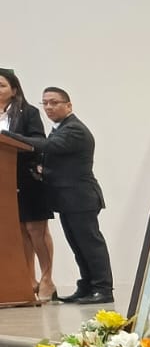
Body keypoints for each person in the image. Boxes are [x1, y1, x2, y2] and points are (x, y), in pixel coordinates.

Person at [3, 87, 112, 305]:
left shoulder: (74, 129)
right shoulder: (60, 128)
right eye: (45, 103)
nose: (49, 107)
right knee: (78, 246)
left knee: (90, 245)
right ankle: (87, 286)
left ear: (68, 105)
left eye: (54, 102)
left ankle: (103, 288)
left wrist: (10, 136)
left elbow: (49, 145)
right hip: (67, 200)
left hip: (80, 198)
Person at [0, 68, 57, 301]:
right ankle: (28, 279)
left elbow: (38, 142)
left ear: (14, 90)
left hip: (27, 177)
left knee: (35, 230)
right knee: (18, 231)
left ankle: (47, 278)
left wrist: (12, 139)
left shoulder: (28, 112)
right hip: (4, 182)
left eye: (1, 85)